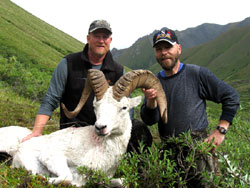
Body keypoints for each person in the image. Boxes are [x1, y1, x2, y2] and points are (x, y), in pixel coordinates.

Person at [140, 29, 240, 187]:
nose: (164, 52)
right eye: (159, 49)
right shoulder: (154, 81)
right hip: (168, 155)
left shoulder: (197, 74)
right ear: (155, 54)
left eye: (168, 47)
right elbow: (149, 120)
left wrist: (221, 130)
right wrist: (151, 103)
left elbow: (231, 97)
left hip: (199, 150)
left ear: (178, 49)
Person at [22, 19, 124, 142]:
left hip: (105, 133)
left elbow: (124, 107)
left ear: (110, 40)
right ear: (88, 38)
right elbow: (51, 99)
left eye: (105, 37)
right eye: (96, 36)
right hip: (73, 132)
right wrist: (37, 131)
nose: (101, 41)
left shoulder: (118, 71)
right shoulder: (68, 64)